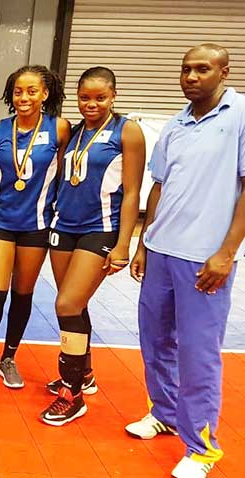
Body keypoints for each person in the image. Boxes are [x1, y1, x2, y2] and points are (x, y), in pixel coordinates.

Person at [125, 44, 245, 478]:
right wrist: (144, 243)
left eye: (202, 69)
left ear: (224, 72)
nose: (191, 77)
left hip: (204, 259)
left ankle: (202, 449)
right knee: (155, 342)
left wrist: (226, 252)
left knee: (198, 354)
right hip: (161, 251)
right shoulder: (176, 123)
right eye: (186, 70)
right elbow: (159, 186)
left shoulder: (240, 116)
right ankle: (165, 413)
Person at [37, 67, 144, 425]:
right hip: (64, 227)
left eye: (100, 97)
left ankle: (72, 395)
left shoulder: (127, 131)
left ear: (113, 95)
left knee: (66, 303)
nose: (91, 104)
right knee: (74, 304)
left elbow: (132, 192)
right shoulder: (74, 131)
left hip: (100, 229)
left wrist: (124, 244)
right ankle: (83, 373)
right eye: (85, 97)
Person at [0, 65, 70, 389]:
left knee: (22, 295)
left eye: (31, 91)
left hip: (37, 225)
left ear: (45, 94)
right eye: (17, 91)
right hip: (1, 221)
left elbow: (66, 175)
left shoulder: (60, 129)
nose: (23, 97)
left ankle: (9, 357)